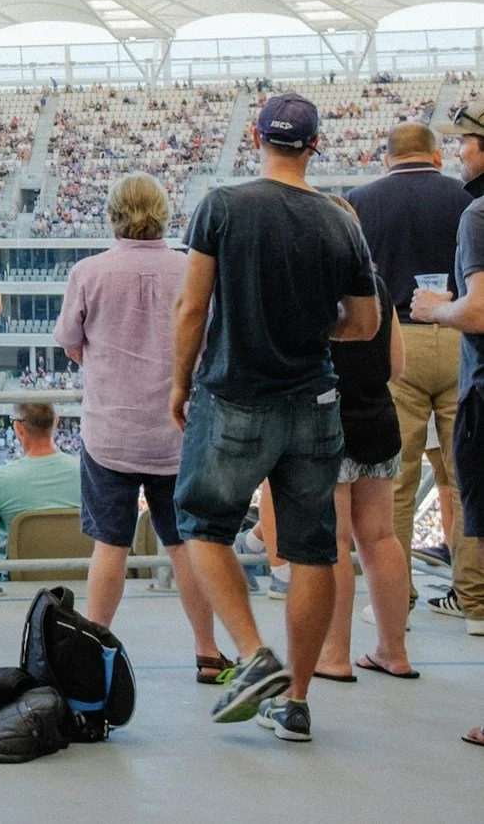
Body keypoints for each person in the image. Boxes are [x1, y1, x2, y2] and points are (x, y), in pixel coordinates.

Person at [171, 93, 380, 742]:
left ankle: (253, 654)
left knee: (200, 523)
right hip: (315, 402)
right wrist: (318, 326)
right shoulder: (340, 221)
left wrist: (178, 385)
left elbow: (191, 307)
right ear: (314, 146)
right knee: (316, 546)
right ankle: (295, 698)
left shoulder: (223, 206)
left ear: (256, 136)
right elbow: (367, 323)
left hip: (235, 394)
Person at [53, 172, 226, 676]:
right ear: (165, 213)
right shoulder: (190, 269)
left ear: (113, 215)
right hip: (178, 430)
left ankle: (90, 653)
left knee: (110, 545)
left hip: (111, 429)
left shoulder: (89, 271)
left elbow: (69, 340)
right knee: (183, 547)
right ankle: (208, 652)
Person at [371, 112, 484, 627]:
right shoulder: (466, 199)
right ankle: (475, 599)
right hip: (463, 337)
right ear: (437, 156)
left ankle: (396, 600)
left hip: (396, 342)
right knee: (465, 476)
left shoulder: (362, 199)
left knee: (395, 478)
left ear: (387, 157)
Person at [412, 130, 484, 747]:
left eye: (468, 142)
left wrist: (436, 307)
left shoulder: (479, 214)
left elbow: (479, 310)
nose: (460, 153)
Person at [318, 267, 415, 684]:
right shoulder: (377, 285)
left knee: (335, 541)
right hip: (379, 420)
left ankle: (334, 655)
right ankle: (394, 652)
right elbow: (397, 365)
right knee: (380, 536)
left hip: (329, 419)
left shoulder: (315, 284)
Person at [0, 403, 80, 552]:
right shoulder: (86, 475)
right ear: (56, 422)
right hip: (78, 572)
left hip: (18, 574)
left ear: (18, 428)